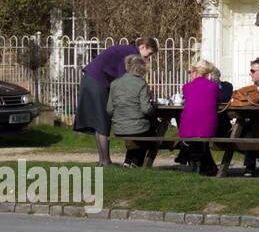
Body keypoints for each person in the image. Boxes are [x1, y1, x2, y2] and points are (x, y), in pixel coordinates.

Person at [73, 37, 159, 166]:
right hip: (97, 81)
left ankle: (103, 160)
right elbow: (123, 80)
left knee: (100, 120)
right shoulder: (131, 53)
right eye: (149, 54)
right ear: (143, 47)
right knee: (102, 120)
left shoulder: (127, 50)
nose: (148, 58)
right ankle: (105, 161)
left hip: (92, 79)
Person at [105, 54, 158, 167]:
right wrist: (153, 106)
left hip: (118, 127)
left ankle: (128, 161)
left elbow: (109, 110)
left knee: (135, 131)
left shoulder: (114, 84)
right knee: (152, 129)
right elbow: (146, 110)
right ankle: (136, 161)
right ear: (142, 68)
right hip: (138, 128)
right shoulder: (141, 84)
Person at [177, 59, 220, 176]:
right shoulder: (213, 86)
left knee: (193, 132)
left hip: (187, 126)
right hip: (207, 126)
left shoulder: (186, 87)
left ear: (195, 71)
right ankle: (204, 166)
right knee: (204, 129)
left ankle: (199, 165)